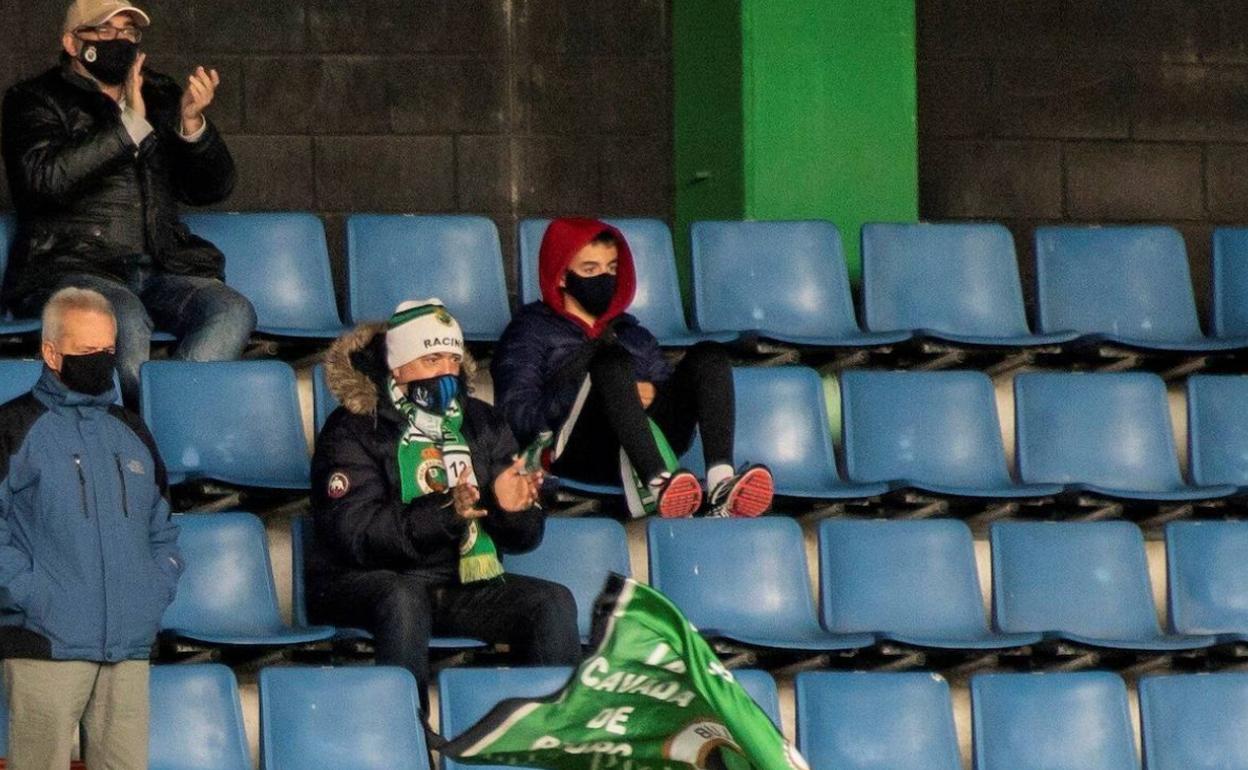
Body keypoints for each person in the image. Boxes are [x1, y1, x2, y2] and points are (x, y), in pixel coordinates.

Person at [307, 298, 581, 696]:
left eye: (453, 360)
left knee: (551, 602)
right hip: (365, 582)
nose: (446, 373)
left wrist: (511, 508)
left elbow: (525, 536)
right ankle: (410, 736)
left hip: (457, 582)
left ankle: (553, 737)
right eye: (432, 360)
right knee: (402, 598)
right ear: (398, 368)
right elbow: (355, 535)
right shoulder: (354, 427)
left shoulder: (482, 422)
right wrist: (448, 512)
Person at [1, 0, 256, 407]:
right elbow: (42, 181)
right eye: (106, 32)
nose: (120, 41)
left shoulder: (159, 92)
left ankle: (165, 421)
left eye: (129, 33)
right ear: (72, 42)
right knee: (125, 320)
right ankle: (137, 434)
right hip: (73, 267)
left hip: (159, 267)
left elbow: (212, 187)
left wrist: (193, 127)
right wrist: (128, 128)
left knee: (231, 310)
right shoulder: (34, 98)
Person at [0, 287, 181, 770]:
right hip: (44, 642)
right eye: (86, 352)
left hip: (127, 646)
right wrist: (32, 595)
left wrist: (152, 589)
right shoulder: (13, 427)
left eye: (108, 351)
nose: (100, 362)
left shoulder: (133, 430)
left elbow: (162, 526)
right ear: (50, 352)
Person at [493, 217, 775, 518]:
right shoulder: (529, 331)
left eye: (611, 269)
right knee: (612, 365)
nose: (603, 278)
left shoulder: (631, 333)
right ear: (562, 276)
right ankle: (658, 485)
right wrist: (594, 390)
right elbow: (516, 415)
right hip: (577, 452)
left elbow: (670, 399)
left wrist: (651, 394)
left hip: (638, 444)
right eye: (590, 270)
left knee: (710, 355)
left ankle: (721, 482)